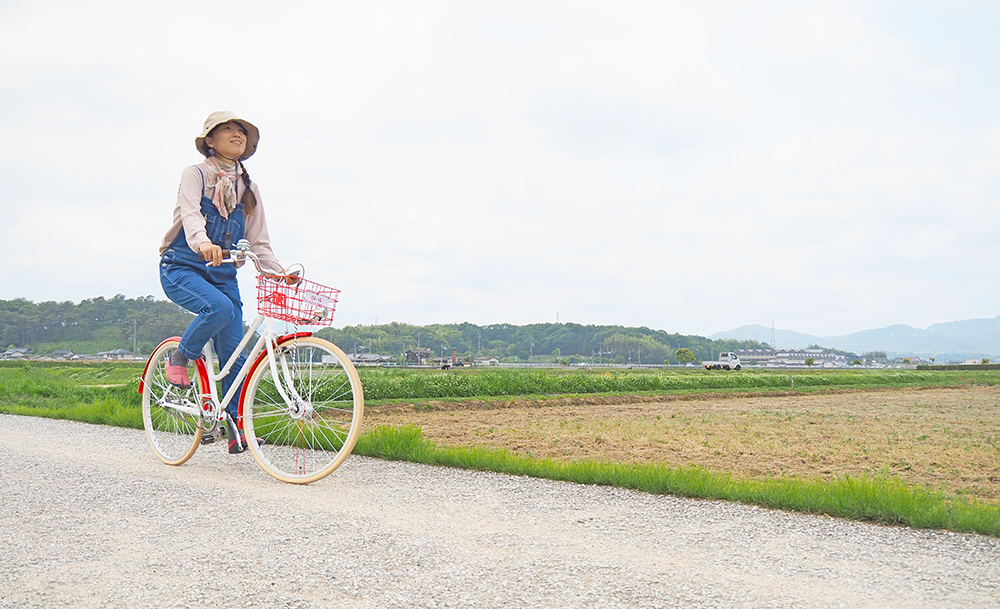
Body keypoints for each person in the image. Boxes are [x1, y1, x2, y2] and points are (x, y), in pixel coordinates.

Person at [158, 111, 282, 453]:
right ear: (209, 141)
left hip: (223, 273)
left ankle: (234, 426)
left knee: (234, 353)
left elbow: (259, 241)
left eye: (241, 131)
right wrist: (202, 242)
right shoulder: (195, 174)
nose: (236, 134)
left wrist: (278, 271)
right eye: (227, 129)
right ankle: (181, 357)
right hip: (182, 265)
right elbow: (191, 214)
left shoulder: (248, 187)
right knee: (219, 307)